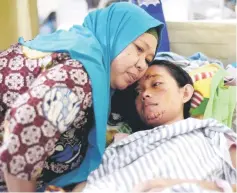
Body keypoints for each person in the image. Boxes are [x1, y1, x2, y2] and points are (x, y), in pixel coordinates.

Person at [0, 2, 163, 192]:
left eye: (147, 60)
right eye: (139, 49)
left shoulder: (83, 57)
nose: (141, 66)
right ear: (113, 35)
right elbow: (27, 122)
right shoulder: (81, 72)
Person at [77, 60, 236, 192]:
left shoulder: (212, 134)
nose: (144, 94)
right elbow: (90, 185)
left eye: (156, 84)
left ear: (185, 93)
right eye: (138, 92)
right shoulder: (122, 144)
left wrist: (183, 186)